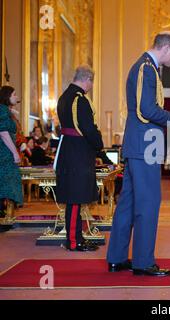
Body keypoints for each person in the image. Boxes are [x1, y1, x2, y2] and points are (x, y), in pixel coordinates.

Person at [107, 31, 170, 276]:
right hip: (144, 147)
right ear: (165, 48)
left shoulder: (148, 68)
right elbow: (145, 110)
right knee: (147, 203)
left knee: (127, 203)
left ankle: (116, 258)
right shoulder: (146, 68)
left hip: (139, 146)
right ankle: (143, 262)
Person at [55, 65, 104, 251]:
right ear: (87, 79)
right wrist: (99, 146)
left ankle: (77, 237)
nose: (91, 85)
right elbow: (88, 129)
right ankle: (74, 242)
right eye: (92, 82)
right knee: (75, 198)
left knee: (73, 197)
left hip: (68, 150)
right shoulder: (80, 100)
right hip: (78, 153)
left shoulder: (64, 97)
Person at [0, 86, 23, 217]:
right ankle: (4, 218)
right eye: (14, 94)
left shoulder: (5, 110)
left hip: (6, 152)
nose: (16, 97)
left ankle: (6, 216)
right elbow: (3, 132)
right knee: (5, 185)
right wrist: (15, 152)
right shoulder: (2, 110)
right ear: (7, 96)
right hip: (4, 153)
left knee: (6, 185)